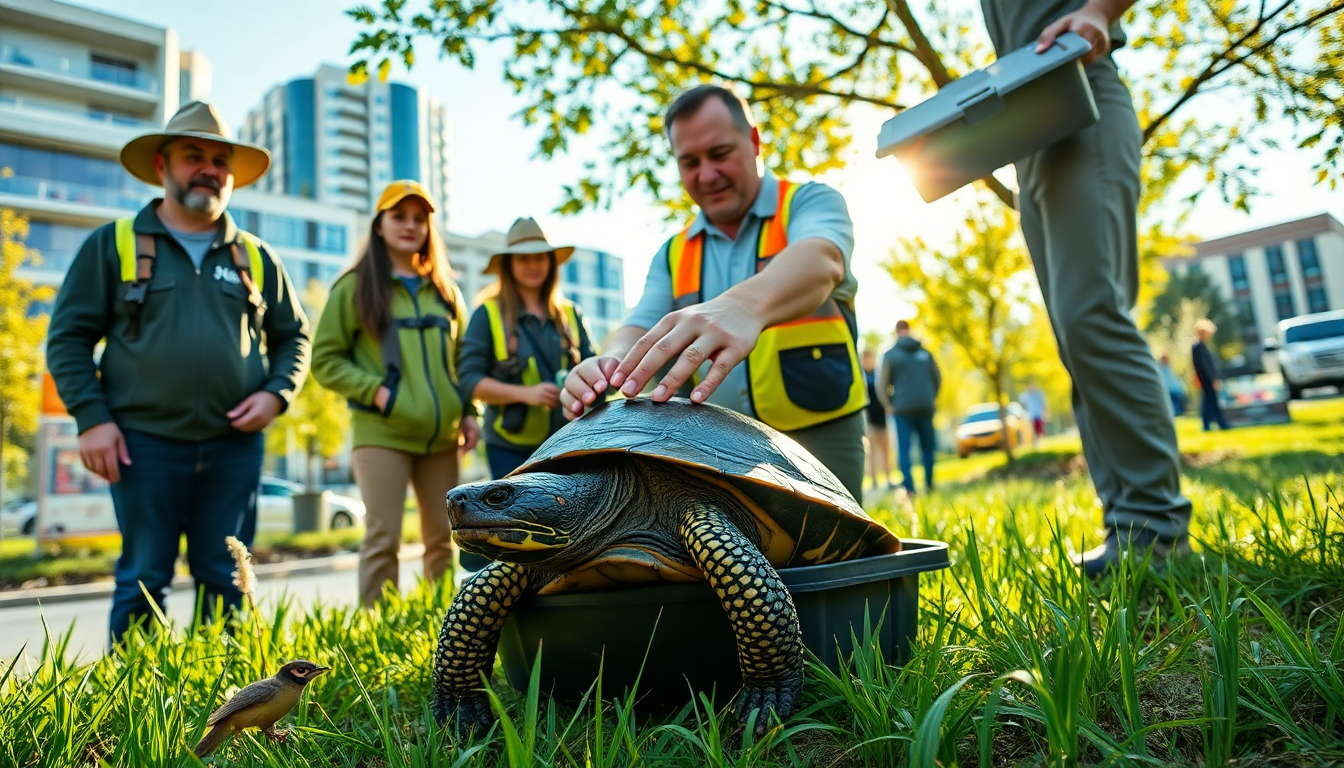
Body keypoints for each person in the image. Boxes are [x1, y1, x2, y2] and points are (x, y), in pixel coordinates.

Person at [45, 101, 311, 644]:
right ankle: (136, 704)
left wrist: (277, 394)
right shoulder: (112, 245)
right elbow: (68, 339)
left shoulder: (258, 258)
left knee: (227, 576)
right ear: (163, 165)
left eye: (220, 159)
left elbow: (295, 338)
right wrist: (92, 418)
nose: (209, 168)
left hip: (235, 445)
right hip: (140, 444)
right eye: (194, 155)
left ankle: (226, 697)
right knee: (143, 575)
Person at [559, 84, 868, 500]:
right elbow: (637, 324)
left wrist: (741, 307)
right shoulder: (673, 253)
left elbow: (823, 260)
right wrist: (610, 363)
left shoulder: (809, 201)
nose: (706, 174)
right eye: (690, 162)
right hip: (717, 449)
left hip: (820, 430)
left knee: (841, 559)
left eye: (719, 154)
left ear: (755, 141)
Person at [978, 0, 1192, 575]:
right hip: (1026, 128)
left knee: (1092, 316)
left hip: (1083, 99)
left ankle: (1157, 527)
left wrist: (1099, 9)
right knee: (1075, 339)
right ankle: (1125, 520)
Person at [310, 179, 479, 608]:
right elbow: (325, 360)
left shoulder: (447, 293)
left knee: (442, 537)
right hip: (381, 434)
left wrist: (470, 411)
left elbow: (464, 361)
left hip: (442, 439)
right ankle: (377, 629)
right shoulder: (353, 288)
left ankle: (441, 624)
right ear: (379, 225)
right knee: (382, 536)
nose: (410, 225)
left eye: (419, 219)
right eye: (398, 216)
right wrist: (377, 392)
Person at [457, 216, 596, 571]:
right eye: (523, 257)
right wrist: (527, 394)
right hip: (511, 448)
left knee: (573, 536)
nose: (533, 264)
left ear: (551, 262)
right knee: (507, 536)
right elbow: (470, 380)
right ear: (509, 265)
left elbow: (597, 370)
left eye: (540, 256)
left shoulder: (571, 314)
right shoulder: (486, 314)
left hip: (569, 446)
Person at [877, 320, 941, 496]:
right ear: (909, 330)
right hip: (925, 406)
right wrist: (931, 398)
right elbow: (937, 378)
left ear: (897, 332)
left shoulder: (890, 355)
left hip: (902, 409)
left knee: (904, 449)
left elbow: (881, 384)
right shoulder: (925, 352)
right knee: (928, 447)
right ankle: (929, 485)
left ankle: (910, 489)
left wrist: (888, 405)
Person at [861, 349, 895, 490]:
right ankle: (874, 480)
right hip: (869, 420)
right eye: (866, 359)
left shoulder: (880, 375)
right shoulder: (861, 377)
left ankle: (888, 478)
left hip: (882, 418)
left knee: (886, 450)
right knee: (872, 451)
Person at [1192, 320, 1230, 431]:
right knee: (1211, 402)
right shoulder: (1198, 347)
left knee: (1210, 402)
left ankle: (1213, 424)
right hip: (1207, 380)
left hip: (1209, 379)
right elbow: (1204, 366)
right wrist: (1213, 379)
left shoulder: (1202, 346)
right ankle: (1215, 424)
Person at [1020, 380, 1048, 447]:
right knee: (1033, 428)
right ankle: (1035, 443)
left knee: (1040, 428)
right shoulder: (1025, 395)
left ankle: (1041, 442)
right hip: (1031, 414)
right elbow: (1022, 403)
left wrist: (1045, 412)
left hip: (1038, 413)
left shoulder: (1038, 393)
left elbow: (1043, 403)